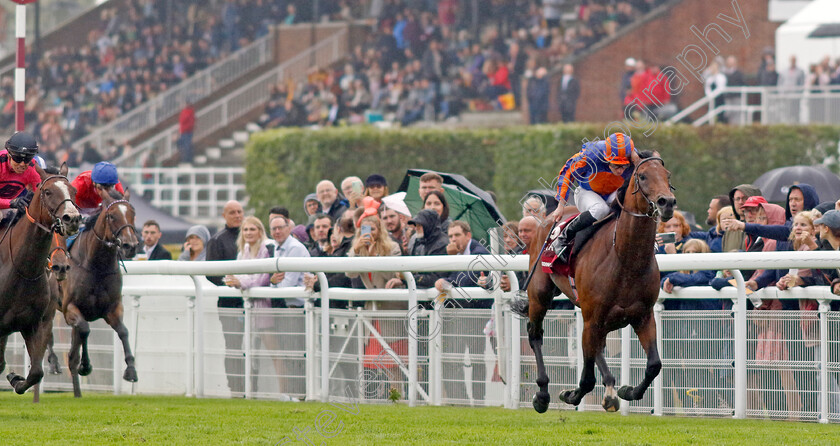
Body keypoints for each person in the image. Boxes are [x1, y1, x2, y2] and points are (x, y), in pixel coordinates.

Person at [550, 133, 638, 263]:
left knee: (627, 205)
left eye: (624, 166)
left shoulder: (634, 157)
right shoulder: (591, 154)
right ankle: (564, 237)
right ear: (607, 158)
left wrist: (638, 162)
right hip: (586, 192)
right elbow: (568, 172)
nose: (620, 171)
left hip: (613, 193)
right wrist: (560, 206)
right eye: (615, 165)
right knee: (601, 209)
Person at [204, 200, 245, 394]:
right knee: (234, 345)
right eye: (232, 212)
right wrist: (230, 284)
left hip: (254, 300)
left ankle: (253, 386)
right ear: (224, 216)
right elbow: (211, 274)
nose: (237, 215)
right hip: (230, 303)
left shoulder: (251, 236)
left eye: (239, 212)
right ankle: (236, 387)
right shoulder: (217, 240)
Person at [434, 220, 491, 308]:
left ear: (468, 236)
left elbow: (465, 281)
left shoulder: (479, 252)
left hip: (481, 308)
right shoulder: (458, 252)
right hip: (468, 306)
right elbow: (453, 278)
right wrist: (444, 281)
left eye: (457, 235)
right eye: (450, 236)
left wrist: (454, 258)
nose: (453, 239)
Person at [0, 132, 42, 225]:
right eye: (17, 158)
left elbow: (40, 197)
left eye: (27, 159)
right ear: (8, 155)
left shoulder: (33, 169)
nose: (22, 164)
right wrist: (11, 203)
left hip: (8, 207)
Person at [268, 215, 310, 308]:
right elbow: (275, 281)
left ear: (289, 229)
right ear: (270, 232)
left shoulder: (295, 247)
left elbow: (288, 284)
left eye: (280, 228)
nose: (277, 231)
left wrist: (274, 283)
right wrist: (273, 282)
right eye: (274, 229)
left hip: (303, 306)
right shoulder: (276, 246)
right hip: (290, 305)